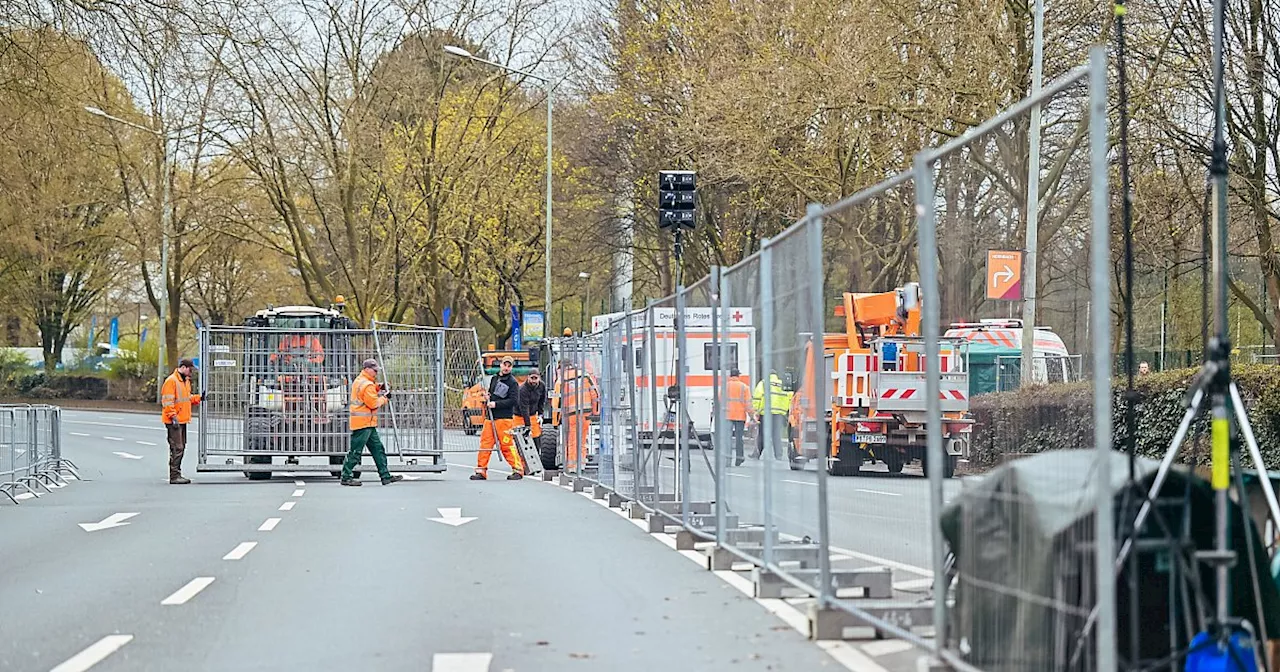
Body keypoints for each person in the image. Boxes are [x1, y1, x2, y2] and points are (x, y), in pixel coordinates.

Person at [340, 358, 403, 487]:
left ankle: (385, 476)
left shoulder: (360, 381)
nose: (376, 373)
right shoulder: (367, 385)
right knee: (356, 451)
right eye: (374, 370)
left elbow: (369, 390)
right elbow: (373, 403)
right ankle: (346, 476)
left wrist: (378, 387)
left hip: (366, 423)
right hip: (363, 423)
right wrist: (385, 398)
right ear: (367, 369)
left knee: (378, 449)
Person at [472, 355, 525, 480]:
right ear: (501, 365)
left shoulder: (513, 383)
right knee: (485, 444)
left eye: (509, 366)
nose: (506, 368)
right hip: (490, 418)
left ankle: (518, 469)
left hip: (504, 418)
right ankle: (481, 470)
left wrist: (496, 404)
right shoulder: (495, 379)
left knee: (506, 445)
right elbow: (491, 394)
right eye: (504, 365)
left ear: (511, 367)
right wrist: (487, 397)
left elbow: (513, 401)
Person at [162, 357, 202, 484]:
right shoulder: (172, 381)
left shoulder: (184, 381)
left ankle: (176, 473)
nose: (191, 373)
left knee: (180, 446)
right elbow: (168, 401)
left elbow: (186, 398)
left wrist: (199, 398)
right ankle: (174, 476)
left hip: (181, 419)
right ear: (183, 368)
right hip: (174, 420)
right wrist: (173, 416)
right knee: (177, 447)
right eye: (190, 370)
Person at [752, 370, 792, 460]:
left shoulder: (763, 383)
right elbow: (788, 397)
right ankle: (778, 455)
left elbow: (757, 397)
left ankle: (757, 453)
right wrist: (785, 411)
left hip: (766, 413)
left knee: (762, 434)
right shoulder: (781, 384)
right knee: (776, 435)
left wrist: (756, 411)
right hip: (778, 414)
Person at [726, 369, 752, 466]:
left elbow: (720, 398)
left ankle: (727, 459)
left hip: (727, 416)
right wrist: (752, 415)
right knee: (738, 438)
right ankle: (739, 458)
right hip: (740, 416)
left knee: (727, 438)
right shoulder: (744, 387)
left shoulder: (725, 387)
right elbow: (748, 404)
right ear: (738, 376)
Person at [517, 370, 546, 439]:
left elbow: (541, 401)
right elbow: (524, 408)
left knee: (536, 437)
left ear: (539, 378)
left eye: (535, 378)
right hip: (519, 416)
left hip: (533, 415)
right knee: (520, 439)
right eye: (532, 378)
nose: (533, 381)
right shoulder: (523, 390)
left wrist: (540, 414)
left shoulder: (542, 386)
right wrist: (528, 426)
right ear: (528, 377)